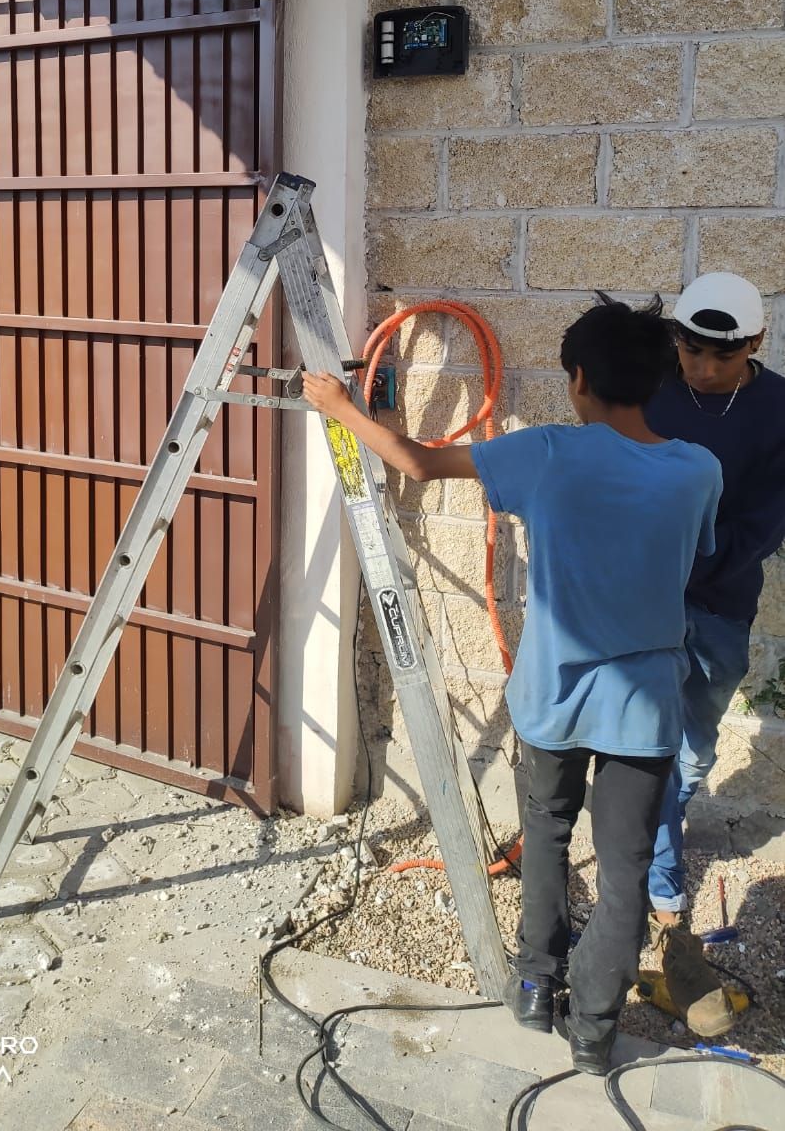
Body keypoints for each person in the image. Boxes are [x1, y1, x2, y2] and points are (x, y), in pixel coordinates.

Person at [302, 296, 721, 1075]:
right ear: (657, 381)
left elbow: (417, 461)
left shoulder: (547, 452)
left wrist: (337, 406)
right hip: (643, 708)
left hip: (548, 698)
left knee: (547, 832)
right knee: (624, 868)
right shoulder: (698, 469)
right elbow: (693, 557)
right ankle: (593, 1030)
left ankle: (534, 984)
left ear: (578, 379)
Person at [643, 272, 785, 1036]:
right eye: (689, 351)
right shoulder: (652, 389)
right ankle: (664, 897)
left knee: (694, 748)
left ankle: (652, 831)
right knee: (654, 748)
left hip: (722, 601)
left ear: (753, 344)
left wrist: (698, 560)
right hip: (644, 599)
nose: (699, 370)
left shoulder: (777, 407)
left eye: (718, 358)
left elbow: (766, 518)